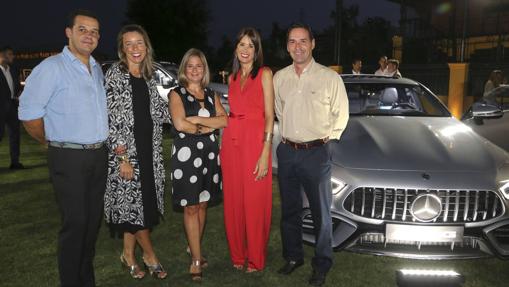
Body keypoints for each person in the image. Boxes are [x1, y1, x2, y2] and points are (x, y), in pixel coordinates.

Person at [18, 10, 108, 287]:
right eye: (83, 29)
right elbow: (29, 114)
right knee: (76, 224)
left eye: (94, 31)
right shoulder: (52, 67)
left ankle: (85, 280)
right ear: (68, 32)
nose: (89, 36)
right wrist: (51, 141)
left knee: (92, 225)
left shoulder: (96, 68)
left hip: (98, 155)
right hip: (68, 157)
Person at [273, 23, 349, 287]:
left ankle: (322, 263)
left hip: (316, 153)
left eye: (303, 41)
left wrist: (329, 143)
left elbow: (341, 114)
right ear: (287, 46)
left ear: (313, 44)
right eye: (292, 42)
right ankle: (293, 257)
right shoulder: (279, 78)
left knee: (321, 213)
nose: (298, 46)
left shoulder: (330, 78)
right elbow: (280, 112)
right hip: (287, 151)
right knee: (290, 210)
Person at [104, 24, 169, 280]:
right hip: (126, 155)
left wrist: (186, 108)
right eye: (128, 44)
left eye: (139, 43)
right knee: (136, 208)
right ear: (122, 48)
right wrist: (122, 157)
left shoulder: (150, 76)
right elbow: (111, 120)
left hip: (149, 152)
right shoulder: (114, 75)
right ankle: (150, 255)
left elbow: (159, 112)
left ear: (146, 46)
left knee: (138, 208)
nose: (134, 48)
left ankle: (128, 254)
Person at [169, 48, 227, 281]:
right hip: (187, 158)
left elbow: (225, 119)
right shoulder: (176, 94)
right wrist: (209, 127)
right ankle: (195, 260)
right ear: (184, 69)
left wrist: (199, 120)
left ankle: (194, 248)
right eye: (190, 66)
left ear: (204, 70)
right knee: (191, 207)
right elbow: (180, 125)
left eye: (199, 66)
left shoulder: (211, 94)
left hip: (210, 157)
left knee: (202, 205)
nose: (194, 70)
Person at [220, 27, 275, 272]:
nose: (245, 50)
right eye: (242, 44)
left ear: (256, 50)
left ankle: (255, 257)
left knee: (254, 202)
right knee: (234, 201)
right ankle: (238, 254)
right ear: (236, 48)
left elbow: (270, 116)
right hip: (231, 144)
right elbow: (229, 113)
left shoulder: (264, 74)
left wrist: (265, 152)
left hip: (255, 144)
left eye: (250, 45)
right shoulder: (230, 78)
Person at [0, 46, 23, 169]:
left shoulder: (13, 70)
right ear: (2, 56)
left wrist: (18, 95)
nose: (12, 56)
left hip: (13, 108)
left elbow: (17, 87)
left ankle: (15, 162)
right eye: (10, 54)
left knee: (15, 136)